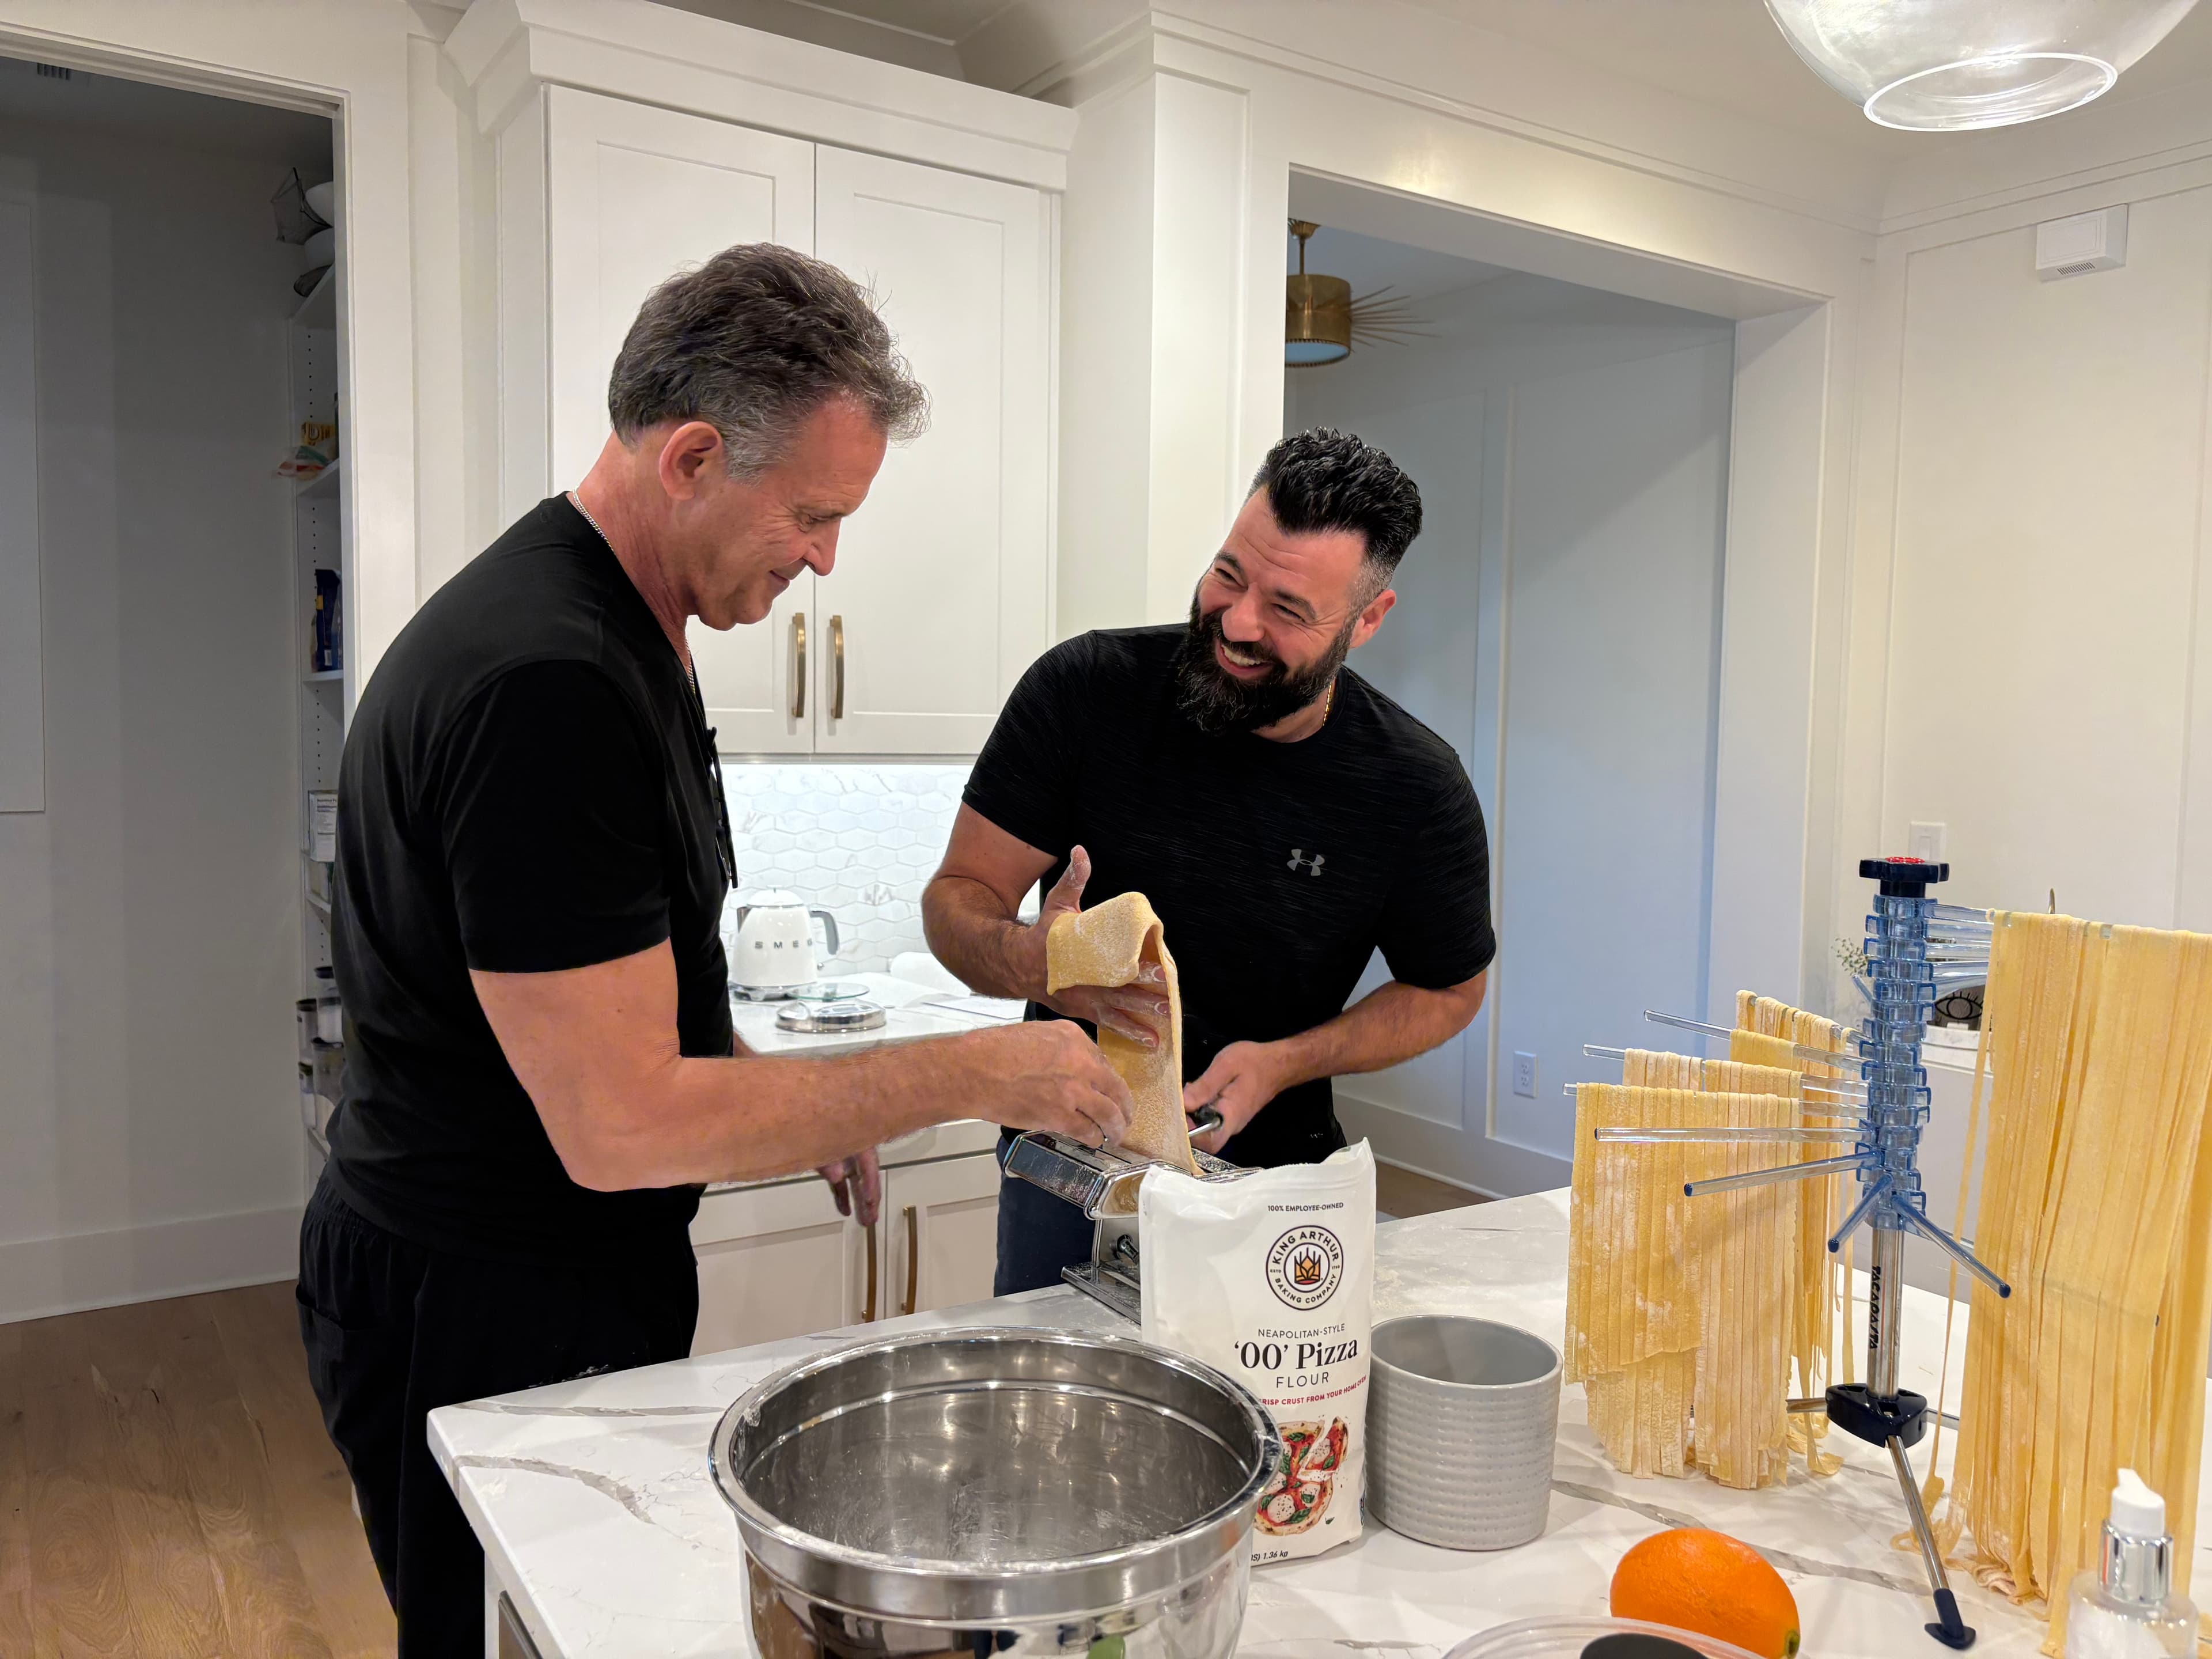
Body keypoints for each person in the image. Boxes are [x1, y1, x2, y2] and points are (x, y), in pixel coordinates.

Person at [298, 244, 1132, 1657]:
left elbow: (611, 980)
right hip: (487, 1304)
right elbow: (621, 1123)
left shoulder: (625, 628)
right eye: (810, 513)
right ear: (691, 456)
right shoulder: (549, 683)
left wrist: (778, 1081)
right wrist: (974, 1069)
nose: (822, 560)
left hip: (527, 1271)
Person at [923, 427, 1496, 1294]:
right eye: (1230, 573)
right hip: (1068, 1174)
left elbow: (1451, 988)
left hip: (1278, 1195)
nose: (1237, 623)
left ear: (1368, 620)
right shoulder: (1085, 692)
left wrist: (1284, 1062)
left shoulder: (1412, 785)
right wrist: (1035, 967)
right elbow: (957, 899)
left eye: (1290, 610)